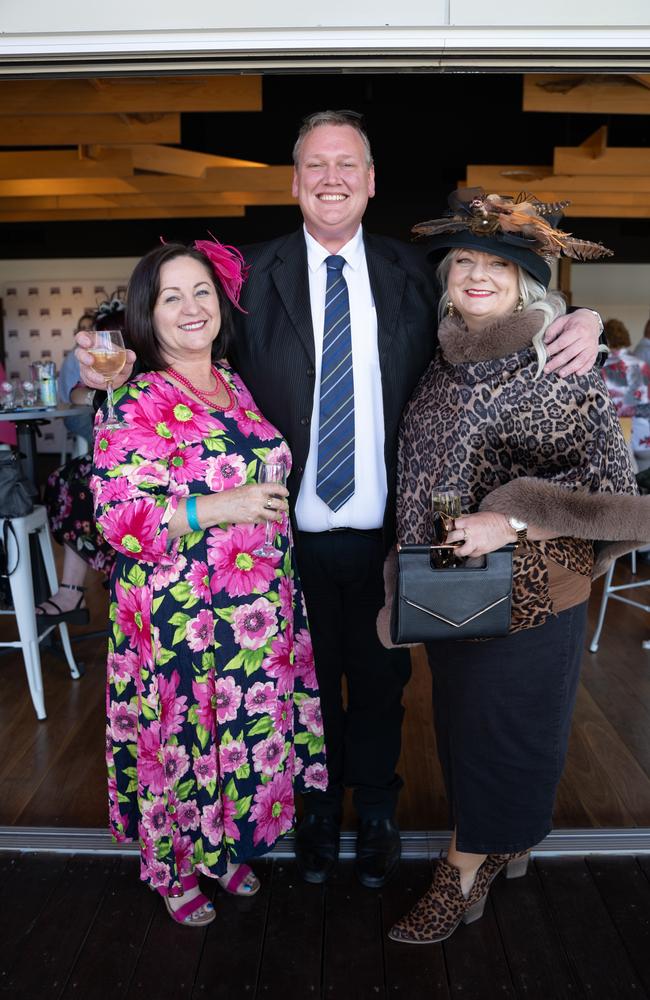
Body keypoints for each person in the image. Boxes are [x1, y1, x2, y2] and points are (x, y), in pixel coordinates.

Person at [76, 111, 604, 890]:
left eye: (347, 164)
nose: (331, 178)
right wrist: (89, 360)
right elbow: (157, 320)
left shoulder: (414, 277)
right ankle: (317, 817)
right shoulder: (246, 278)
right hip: (278, 543)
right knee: (300, 687)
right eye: (315, 165)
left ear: (371, 181)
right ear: (294, 182)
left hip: (388, 533)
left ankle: (379, 810)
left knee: (384, 686)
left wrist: (581, 317)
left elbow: (494, 309)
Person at [381, 189, 649, 944]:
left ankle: (464, 870)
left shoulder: (562, 361)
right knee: (469, 731)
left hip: (537, 594)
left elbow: (614, 491)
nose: (474, 274)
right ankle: (510, 842)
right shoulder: (439, 364)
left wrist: (514, 516)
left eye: (496, 263)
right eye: (463, 259)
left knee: (512, 733)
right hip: (449, 591)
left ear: (528, 282)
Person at [89, 239, 327, 927]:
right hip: (179, 610)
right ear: (148, 314)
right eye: (172, 297)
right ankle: (173, 868)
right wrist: (215, 507)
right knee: (183, 739)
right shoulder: (132, 397)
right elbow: (115, 516)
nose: (192, 308)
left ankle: (221, 850)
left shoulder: (233, 381)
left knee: (240, 733)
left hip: (255, 605)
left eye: (201, 292)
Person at [37, 302, 125, 627]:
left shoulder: (152, 364)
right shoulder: (100, 369)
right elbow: (75, 395)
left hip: (153, 465)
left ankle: (90, 584)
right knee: (68, 480)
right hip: (112, 459)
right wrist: (98, 395)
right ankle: (73, 589)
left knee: (82, 482)